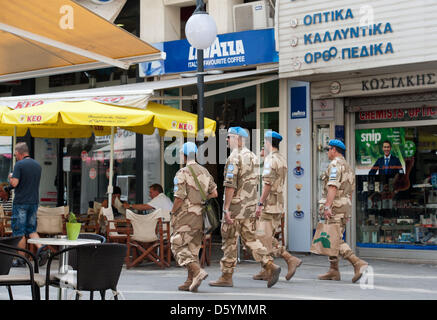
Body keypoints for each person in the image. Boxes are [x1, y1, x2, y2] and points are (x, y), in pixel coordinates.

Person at [209, 127, 281, 289]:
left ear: (239, 139)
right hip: (249, 206)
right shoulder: (254, 157)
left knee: (229, 241)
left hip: (235, 207)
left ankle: (226, 276)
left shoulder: (234, 158)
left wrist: (226, 208)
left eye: (230, 137)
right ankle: (269, 264)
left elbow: (230, 185)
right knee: (251, 239)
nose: (227, 140)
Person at [170, 142, 218, 293]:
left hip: (185, 216)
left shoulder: (182, 173)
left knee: (176, 244)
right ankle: (190, 280)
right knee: (193, 248)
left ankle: (197, 271)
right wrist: (201, 199)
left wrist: (172, 212)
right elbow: (215, 193)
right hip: (200, 216)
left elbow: (179, 198)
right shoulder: (205, 171)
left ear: (184, 155)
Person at [254, 131, 302, 281]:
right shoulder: (282, 159)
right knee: (266, 237)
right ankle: (266, 268)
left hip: (268, 206)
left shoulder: (270, 160)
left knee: (260, 237)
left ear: (268, 143)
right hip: (278, 204)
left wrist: (260, 203)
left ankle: (287, 259)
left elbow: (267, 184)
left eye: (264, 143)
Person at [318, 139, 368, 283]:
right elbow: (350, 191)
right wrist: (348, 212)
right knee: (333, 236)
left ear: (334, 150)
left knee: (334, 239)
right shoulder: (348, 167)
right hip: (344, 206)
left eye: (328, 149)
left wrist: (327, 206)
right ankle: (333, 270)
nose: (327, 152)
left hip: (335, 207)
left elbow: (332, 187)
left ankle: (357, 263)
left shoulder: (335, 165)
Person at [8, 142, 46, 267]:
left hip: (21, 203)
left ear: (19, 153)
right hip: (34, 202)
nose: (15, 157)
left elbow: (14, 183)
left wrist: (10, 177)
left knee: (19, 231)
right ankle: (41, 249)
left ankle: (21, 259)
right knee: (31, 230)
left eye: (15, 155)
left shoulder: (19, 165)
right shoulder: (37, 165)